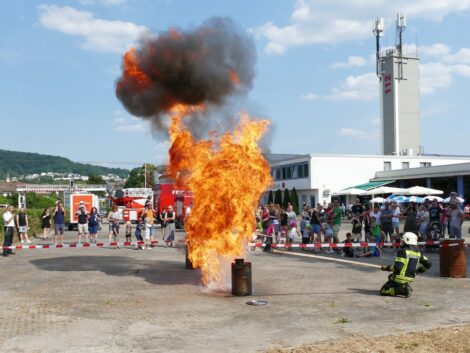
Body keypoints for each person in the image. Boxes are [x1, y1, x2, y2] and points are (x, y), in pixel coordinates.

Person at [379, 232, 431, 297]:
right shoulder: (418, 253)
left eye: (402, 240)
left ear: (407, 241)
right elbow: (429, 264)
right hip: (410, 278)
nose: (401, 242)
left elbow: (398, 268)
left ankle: (403, 290)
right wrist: (418, 271)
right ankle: (404, 285)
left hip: (400, 278)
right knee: (390, 276)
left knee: (383, 291)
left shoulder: (402, 251)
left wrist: (386, 268)